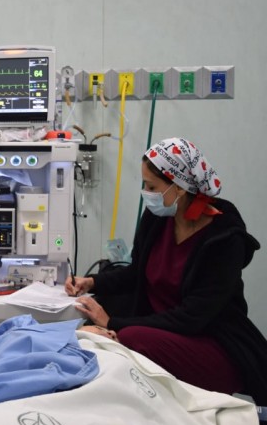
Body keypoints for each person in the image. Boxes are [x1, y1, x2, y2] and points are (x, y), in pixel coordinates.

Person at [66, 137, 267, 405]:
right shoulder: (158, 218)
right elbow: (136, 273)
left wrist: (113, 323)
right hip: (160, 329)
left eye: (151, 186)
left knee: (128, 336)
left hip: (209, 342)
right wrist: (91, 282)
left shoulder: (224, 241)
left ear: (180, 188)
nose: (146, 193)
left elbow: (191, 318)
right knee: (92, 326)